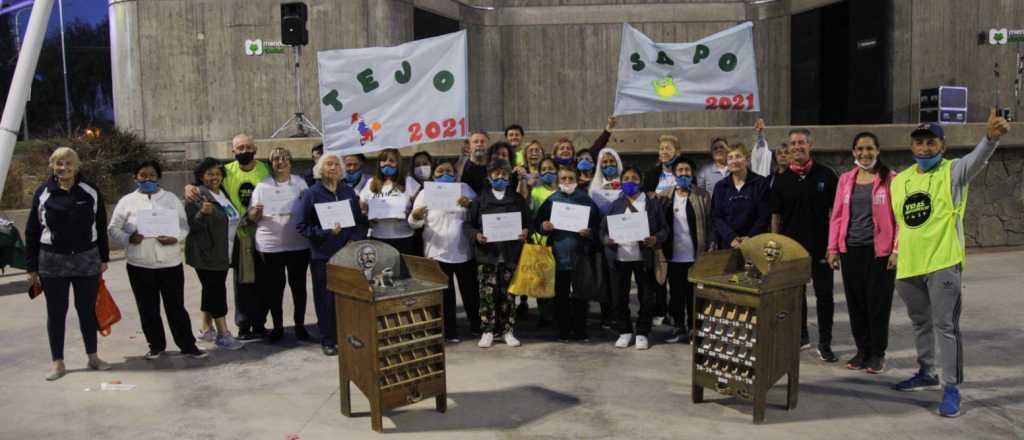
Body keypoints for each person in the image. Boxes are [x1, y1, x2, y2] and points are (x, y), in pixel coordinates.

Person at [888, 111, 1009, 418]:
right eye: (919, 142)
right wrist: (895, 251)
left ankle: (951, 388)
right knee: (920, 323)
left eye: (931, 142)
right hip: (909, 265)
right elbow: (902, 223)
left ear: (942, 145)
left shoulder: (954, 171)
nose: (925, 148)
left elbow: (978, 160)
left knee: (946, 327)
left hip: (943, 262)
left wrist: (991, 138)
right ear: (912, 147)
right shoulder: (899, 181)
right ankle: (926, 371)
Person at [25, 147, 112, 381]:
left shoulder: (90, 192)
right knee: (56, 313)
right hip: (52, 261)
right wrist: (31, 267)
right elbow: (33, 231)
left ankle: (93, 357)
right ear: (52, 166)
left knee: (86, 310)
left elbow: (101, 227)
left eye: (68, 164)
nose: (63, 168)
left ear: (76, 166)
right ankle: (58, 362)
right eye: (59, 164)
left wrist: (103, 258)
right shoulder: (43, 193)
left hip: (86, 259)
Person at [108, 161, 207, 360]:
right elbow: (113, 229)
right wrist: (128, 239)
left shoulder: (170, 199)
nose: (147, 179)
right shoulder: (127, 201)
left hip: (169, 263)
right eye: (142, 175)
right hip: (140, 264)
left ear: (158, 177)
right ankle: (156, 345)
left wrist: (175, 238)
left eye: (152, 175)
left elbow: (184, 226)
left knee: (176, 307)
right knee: (147, 308)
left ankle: (188, 345)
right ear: (135, 178)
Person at [184, 133, 271, 341]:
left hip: (262, 234)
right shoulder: (226, 172)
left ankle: (213, 327)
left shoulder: (265, 170)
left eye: (248, 147)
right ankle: (240, 326)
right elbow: (202, 185)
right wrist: (189, 186)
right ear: (233, 151)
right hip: (231, 242)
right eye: (240, 148)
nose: (244, 151)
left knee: (261, 283)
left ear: (255, 149)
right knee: (239, 284)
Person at [826, 132, 897, 373]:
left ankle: (877, 353)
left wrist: (895, 250)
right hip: (851, 251)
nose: (864, 154)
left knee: (878, 303)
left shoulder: (891, 179)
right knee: (856, 303)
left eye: (869, 149)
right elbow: (836, 216)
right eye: (859, 149)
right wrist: (833, 248)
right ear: (853, 152)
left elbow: (900, 220)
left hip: (880, 253)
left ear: (878, 151)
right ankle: (862, 350)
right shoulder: (846, 179)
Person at [770, 128, 839, 361]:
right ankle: (801, 336)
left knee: (825, 296)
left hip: (821, 248)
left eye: (801, 142)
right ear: (788, 148)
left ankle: (825, 343)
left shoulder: (827, 175)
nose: (797, 147)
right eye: (792, 143)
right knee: (795, 296)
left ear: (810, 145)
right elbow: (776, 217)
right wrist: (776, 247)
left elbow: (837, 214)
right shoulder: (781, 180)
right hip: (791, 250)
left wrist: (834, 248)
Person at [295, 153, 369, 356]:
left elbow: (360, 222)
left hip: (348, 254)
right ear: (320, 168)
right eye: (328, 164)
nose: (333, 167)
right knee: (325, 299)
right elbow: (302, 226)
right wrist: (325, 233)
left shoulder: (348, 192)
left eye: (337, 164)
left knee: (348, 297)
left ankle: (347, 336)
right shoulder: (311, 194)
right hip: (323, 256)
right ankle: (328, 339)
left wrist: (355, 238)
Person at [408, 161, 479, 341]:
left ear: (455, 173)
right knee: (445, 296)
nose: (445, 174)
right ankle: (450, 331)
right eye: (440, 171)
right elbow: (413, 221)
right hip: (436, 251)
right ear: (433, 175)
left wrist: (470, 205)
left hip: (463, 251)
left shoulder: (465, 188)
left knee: (470, 292)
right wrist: (415, 216)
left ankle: (477, 326)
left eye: (449, 171)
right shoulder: (425, 193)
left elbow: (479, 214)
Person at [464, 159, 530, 348]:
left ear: (510, 177)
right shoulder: (480, 199)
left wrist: (526, 231)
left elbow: (528, 222)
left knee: (508, 295)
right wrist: (476, 235)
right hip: (487, 255)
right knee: (487, 295)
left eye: (504, 174)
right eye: (496, 174)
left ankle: (508, 330)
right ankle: (488, 330)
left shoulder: (517, 199)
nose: (500, 177)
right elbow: (468, 225)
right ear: (489, 176)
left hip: (509, 255)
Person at [601, 167, 668, 350]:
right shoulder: (616, 204)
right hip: (620, 258)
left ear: (641, 181)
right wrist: (608, 240)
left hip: (644, 258)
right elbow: (603, 231)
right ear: (622, 182)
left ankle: (642, 332)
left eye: (635, 178)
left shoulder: (651, 203)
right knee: (619, 297)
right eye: (627, 178)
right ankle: (625, 330)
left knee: (646, 297)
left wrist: (655, 239)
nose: (631, 181)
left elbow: (664, 230)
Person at [249, 147, 311, 342]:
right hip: (270, 244)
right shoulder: (262, 186)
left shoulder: (300, 183)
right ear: (271, 163)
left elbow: (309, 209)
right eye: (275, 159)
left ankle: (300, 326)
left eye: (284, 158)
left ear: (290, 162)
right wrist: (256, 212)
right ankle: (278, 327)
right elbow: (252, 217)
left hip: (298, 244)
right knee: (274, 288)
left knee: (298, 286)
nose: (280, 162)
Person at [535, 167, 601, 341]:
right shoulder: (551, 201)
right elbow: (537, 224)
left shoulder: (586, 201)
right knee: (560, 298)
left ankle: (580, 331)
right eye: (563, 178)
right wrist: (544, 227)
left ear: (577, 180)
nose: (566, 182)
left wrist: (590, 233)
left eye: (570, 178)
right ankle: (562, 331)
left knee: (581, 297)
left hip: (581, 257)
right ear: (558, 181)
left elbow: (599, 227)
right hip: (558, 257)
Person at [184, 158, 243, 351]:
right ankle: (223, 334)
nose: (214, 177)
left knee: (211, 289)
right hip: (206, 254)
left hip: (224, 252)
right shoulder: (198, 194)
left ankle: (206, 329)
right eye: (209, 174)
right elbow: (192, 225)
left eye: (218, 173)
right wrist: (202, 213)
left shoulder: (222, 193)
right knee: (216, 291)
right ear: (201, 176)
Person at [661, 157, 713, 343]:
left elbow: (710, 224)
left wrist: (709, 249)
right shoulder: (665, 196)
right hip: (673, 256)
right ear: (674, 174)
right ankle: (678, 327)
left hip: (696, 256)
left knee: (694, 295)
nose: (684, 174)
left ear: (692, 173)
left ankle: (694, 328)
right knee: (676, 295)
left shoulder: (702, 195)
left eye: (687, 170)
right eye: (680, 170)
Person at [359, 148, 421, 255]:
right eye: (383, 160)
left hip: (404, 237)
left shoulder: (409, 182)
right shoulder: (371, 182)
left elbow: (418, 207)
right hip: (378, 237)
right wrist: (369, 217)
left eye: (391, 161)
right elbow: (362, 208)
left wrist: (410, 214)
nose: (387, 163)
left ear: (398, 163)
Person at [589, 146, 625, 329]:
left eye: (612, 162)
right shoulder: (594, 187)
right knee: (604, 280)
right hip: (601, 240)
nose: (609, 166)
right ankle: (606, 315)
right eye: (605, 163)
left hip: (624, 239)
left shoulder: (626, 184)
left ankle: (620, 316)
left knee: (619, 281)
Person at [710, 143, 770, 250]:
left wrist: (750, 237)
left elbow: (764, 215)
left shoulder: (761, 183)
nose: (734, 161)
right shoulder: (720, 187)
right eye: (730, 158)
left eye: (738, 156)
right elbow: (716, 217)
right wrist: (731, 237)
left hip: (755, 244)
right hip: (728, 245)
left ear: (747, 159)